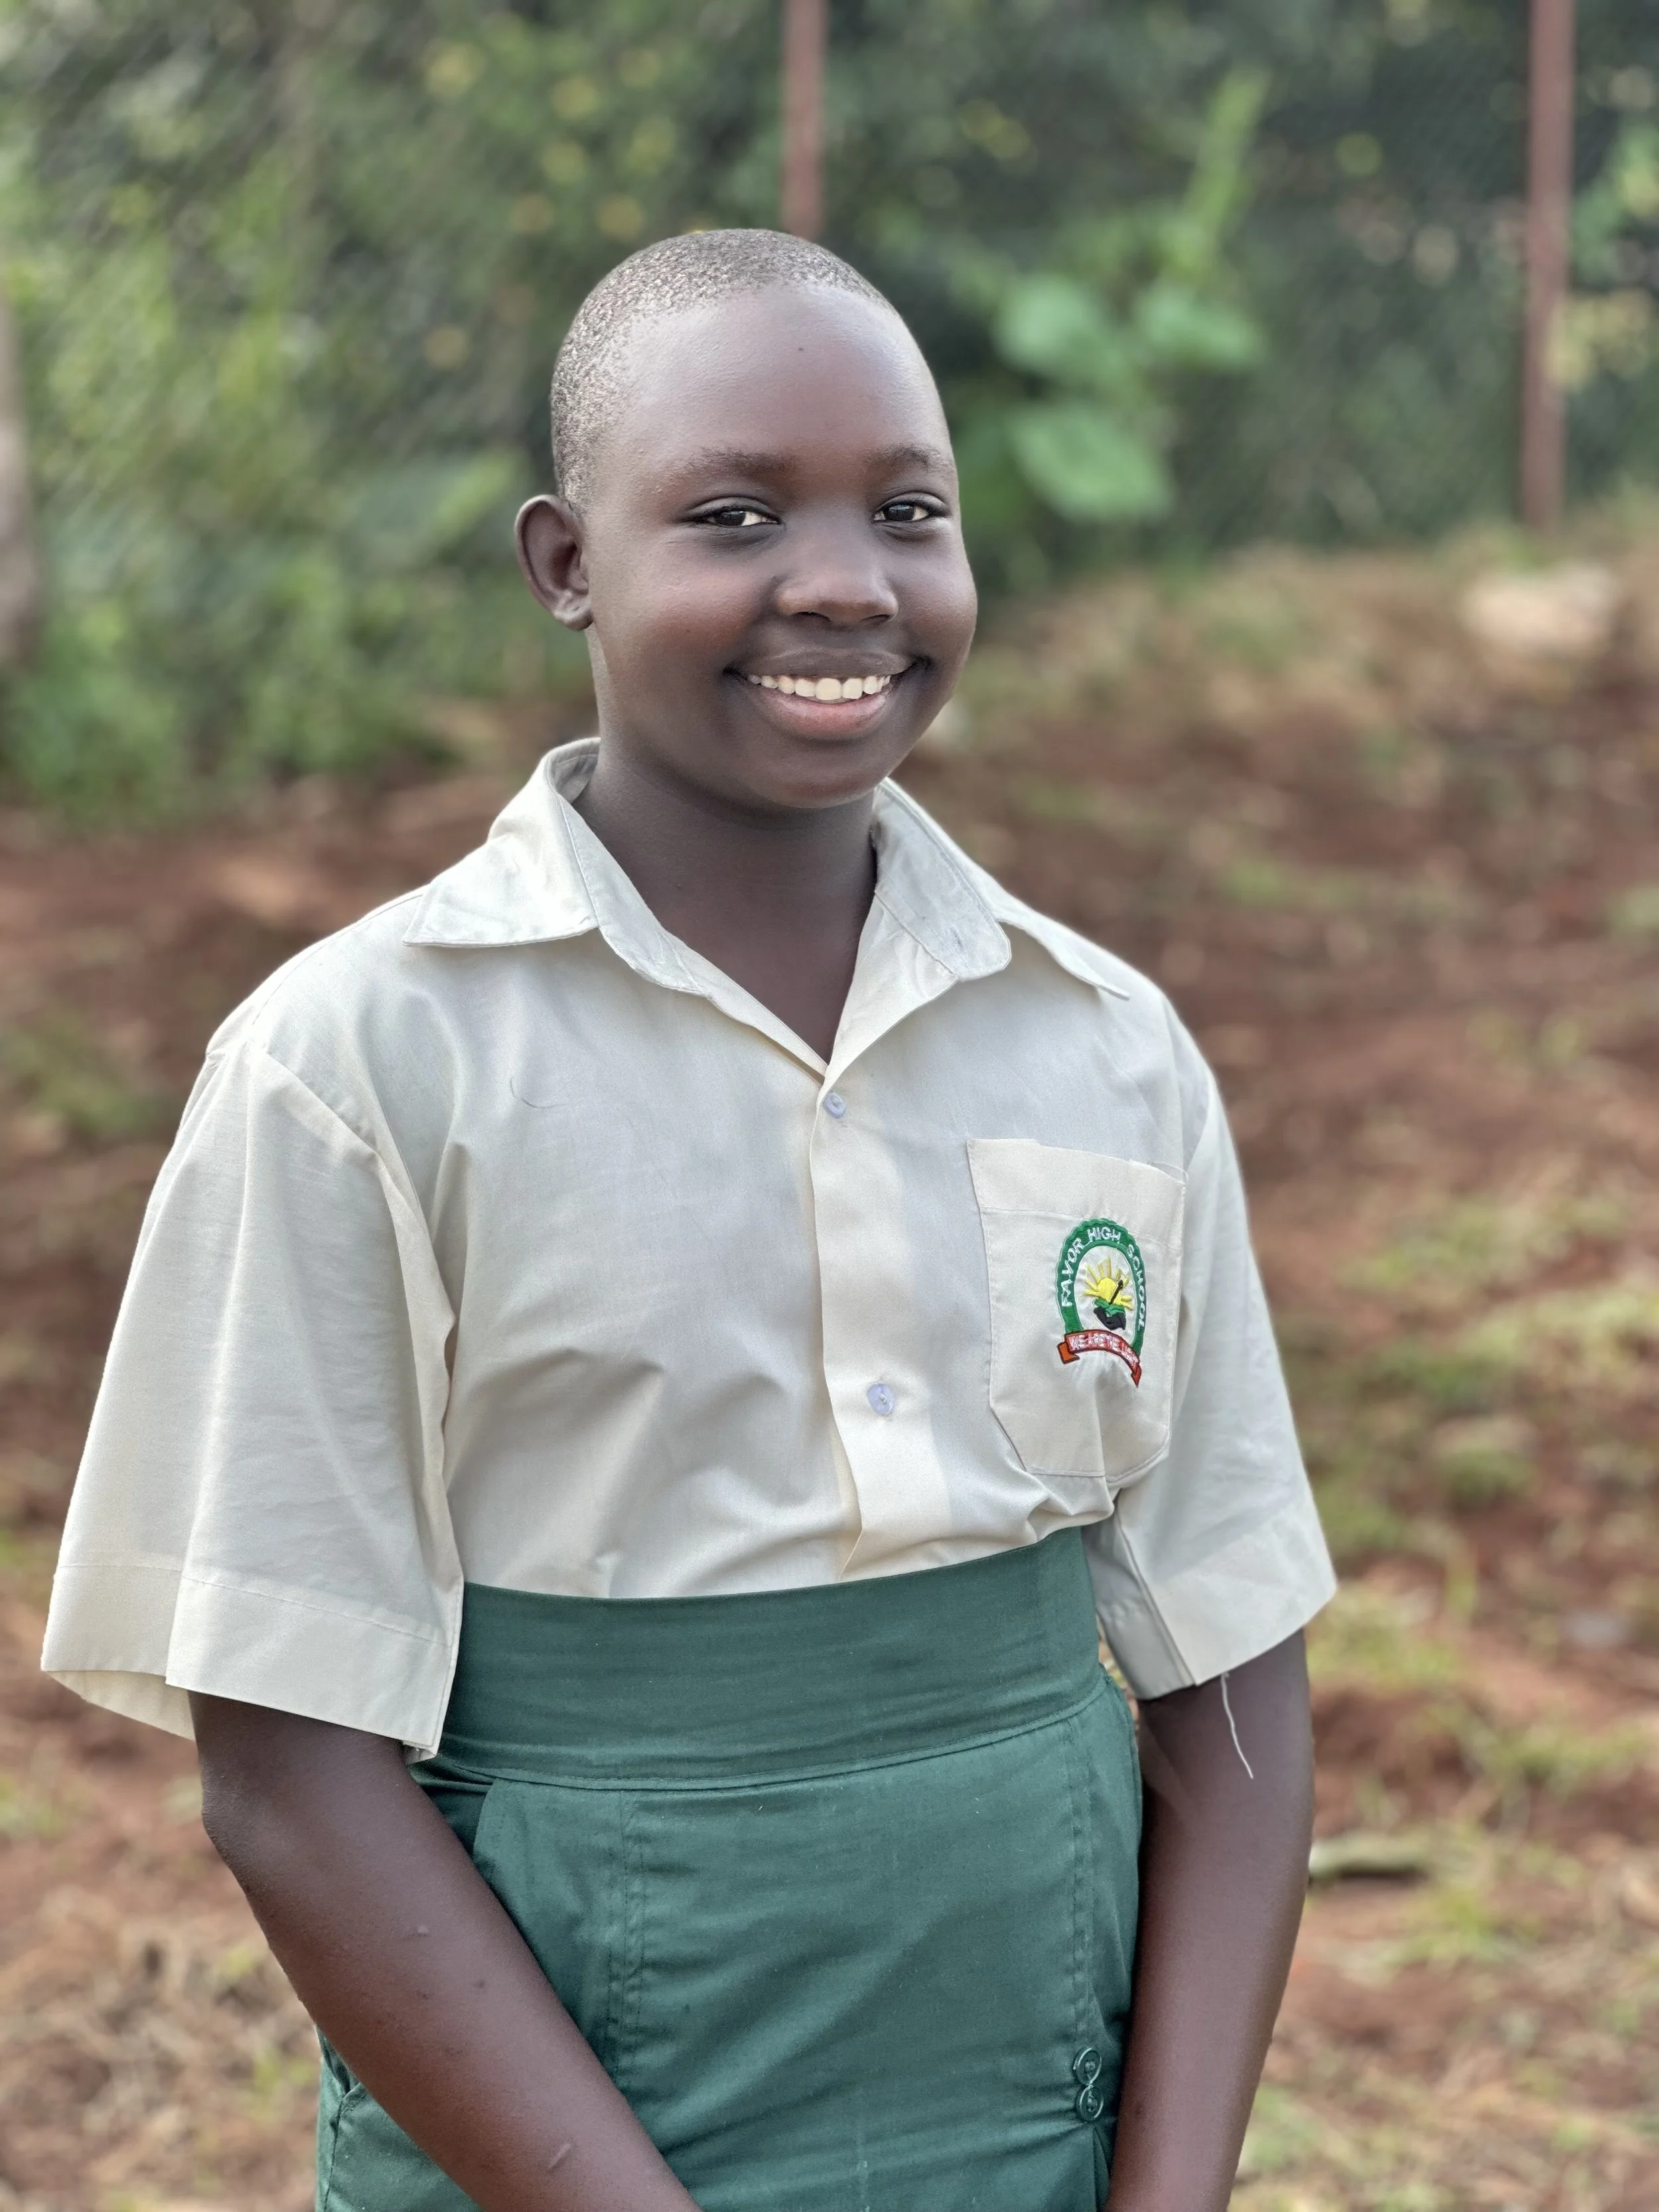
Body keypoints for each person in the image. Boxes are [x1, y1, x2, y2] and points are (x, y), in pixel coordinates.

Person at [42, 228, 1335, 2212]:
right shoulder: (361, 1064)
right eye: (734, 516)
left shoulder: (1104, 1051)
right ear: (566, 562)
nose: (843, 580)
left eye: (908, 511)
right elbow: (287, 1772)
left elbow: (1230, 1686)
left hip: (1032, 2133)